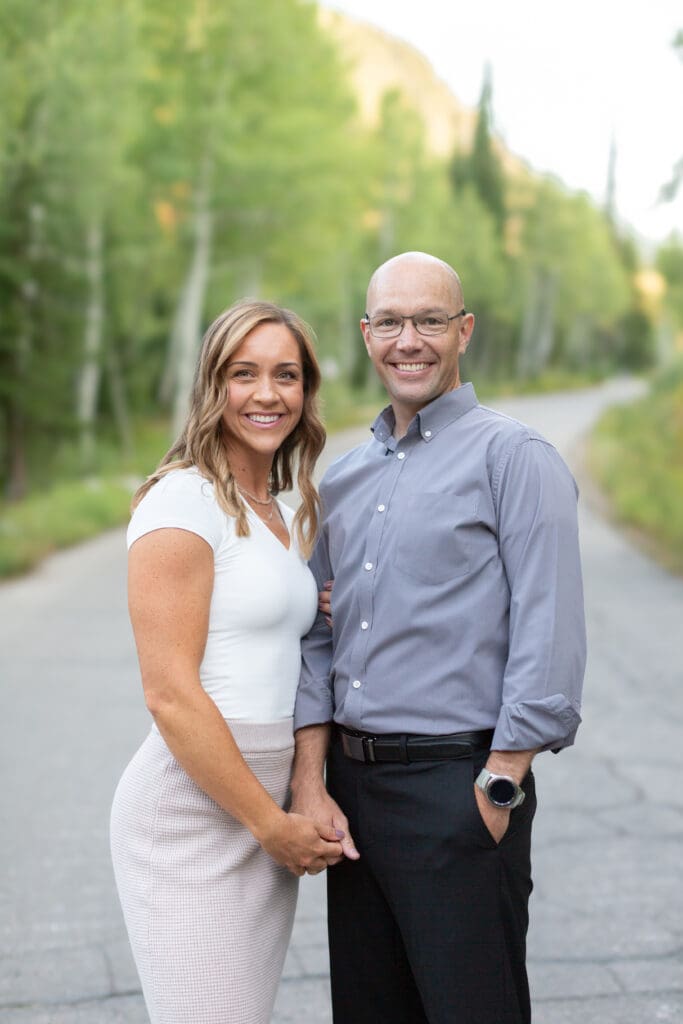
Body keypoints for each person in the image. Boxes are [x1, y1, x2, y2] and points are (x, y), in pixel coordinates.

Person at [291, 252, 586, 1024]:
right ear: (366, 334)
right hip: (354, 799)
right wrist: (311, 783)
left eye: (429, 320)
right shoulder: (343, 479)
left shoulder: (513, 458)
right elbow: (315, 637)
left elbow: (549, 625)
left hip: (457, 790)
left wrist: (501, 781)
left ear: (464, 331)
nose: (408, 341)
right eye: (390, 322)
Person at [110, 299, 344, 1024]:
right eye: (244, 374)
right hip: (195, 811)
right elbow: (169, 694)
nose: (266, 394)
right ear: (213, 386)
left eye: (286, 375)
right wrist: (268, 823)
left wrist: (324, 605)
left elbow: (288, 648)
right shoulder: (181, 502)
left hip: (265, 810)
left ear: (306, 391)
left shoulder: (287, 511)